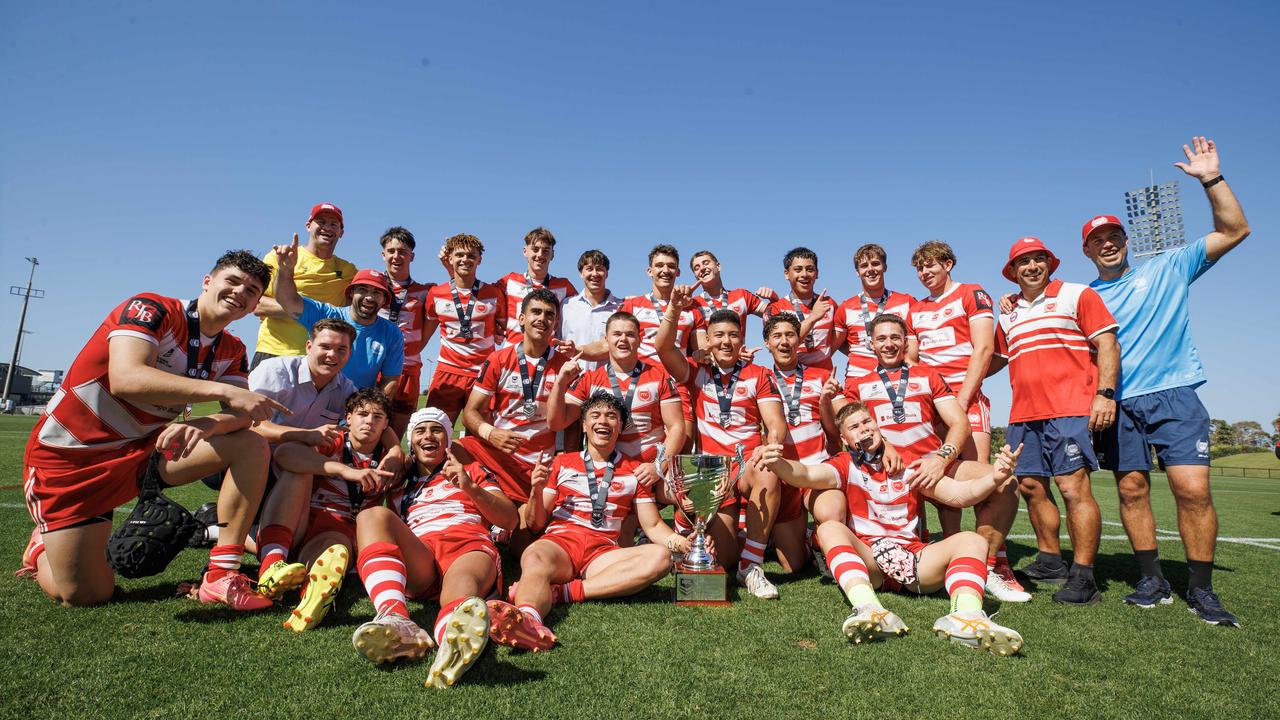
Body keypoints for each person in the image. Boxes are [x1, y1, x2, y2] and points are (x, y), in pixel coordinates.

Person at [19, 250, 288, 609]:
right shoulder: (151, 309)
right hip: (71, 457)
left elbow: (242, 414)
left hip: (142, 453)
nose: (241, 292)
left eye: (252, 290)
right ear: (207, 282)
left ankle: (221, 575)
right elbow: (127, 378)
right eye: (233, 281)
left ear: (256, 304)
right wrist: (223, 391)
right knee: (86, 594)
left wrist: (205, 424)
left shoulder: (232, 348)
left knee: (251, 444)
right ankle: (41, 549)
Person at [1083, 136, 1249, 625]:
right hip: (1118, 403)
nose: (1108, 243)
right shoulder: (1084, 296)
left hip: (1174, 393)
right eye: (1098, 239)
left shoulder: (1169, 266)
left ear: (1125, 241)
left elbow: (1236, 229)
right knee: (1131, 491)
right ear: (1086, 248)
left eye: (1114, 235)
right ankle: (1152, 579)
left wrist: (1210, 179)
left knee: (1192, 491)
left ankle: (1201, 588)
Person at [760, 402, 1025, 656]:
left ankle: (966, 617)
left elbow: (959, 496)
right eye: (854, 427)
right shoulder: (843, 464)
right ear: (843, 439)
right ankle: (869, 609)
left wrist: (995, 477)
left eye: (867, 422)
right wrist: (778, 464)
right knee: (829, 528)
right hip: (871, 562)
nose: (863, 428)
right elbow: (804, 474)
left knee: (972, 540)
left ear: (878, 427)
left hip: (915, 561)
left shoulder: (910, 463)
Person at [836, 314, 1025, 602]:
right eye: (882, 338)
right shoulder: (860, 384)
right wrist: (884, 444)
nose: (889, 344)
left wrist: (940, 459)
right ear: (871, 344)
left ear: (906, 342)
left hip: (932, 467)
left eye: (895, 337)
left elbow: (960, 423)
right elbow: (848, 425)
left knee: (1006, 484)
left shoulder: (928, 375)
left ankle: (986, 568)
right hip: (889, 474)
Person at [486, 392, 690, 652]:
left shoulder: (635, 470)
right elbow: (536, 523)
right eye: (595, 415)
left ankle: (564, 593)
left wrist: (682, 543)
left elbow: (652, 526)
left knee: (662, 557)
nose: (603, 421)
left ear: (620, 427)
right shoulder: (562, 462)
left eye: (611, 416)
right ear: (583, 425)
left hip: (603, 552)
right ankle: (528, 621)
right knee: (535, 557)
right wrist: (536, 491)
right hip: (560, 542)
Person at [987, 237, 1118, 605]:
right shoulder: (1009, 313)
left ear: (1050, 263)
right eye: (1022, 262)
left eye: (1038, 259)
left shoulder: (1077, 295)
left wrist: (1104, 395)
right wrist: (952, 373)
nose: (1031, 267)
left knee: (1073, 488)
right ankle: (1050, 560)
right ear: (1012, 272)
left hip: (1070, 409)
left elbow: (1107, 343)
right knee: (1030, 487)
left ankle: (1085, 575)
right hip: (1024, 414)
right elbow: (996, 358)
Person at [351, 407, 517, 688]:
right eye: (420, 430)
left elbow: (510, 519)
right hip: (423, 554)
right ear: (412, 443)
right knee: (371, 516)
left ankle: (449, 643)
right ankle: (396, 618)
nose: (428, 436)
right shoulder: (400, 484)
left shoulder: (472, 471)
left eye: (436, 430)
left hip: (468, 544)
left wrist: (469, 486)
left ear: (448, 440)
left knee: (461, 583)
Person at [906, 240, 1021, 595]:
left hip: (965, 398)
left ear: (949, 264)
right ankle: (953, 554)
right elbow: (911, 358)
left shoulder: (972, 293)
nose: (926, 272)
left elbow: (985, 348)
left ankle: (993, 563)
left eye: (932, 265)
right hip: (932, 403)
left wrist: (962, 399)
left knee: (985, 482)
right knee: (939, 481)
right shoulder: (914, 308)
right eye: (920, 268)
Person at [656, 290, 787, 599]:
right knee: (722, 557)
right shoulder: (696, 371)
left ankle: (752, 566)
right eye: (718, 335)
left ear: (741, 339)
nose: (726, 341)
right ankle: (707, 546)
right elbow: (662, 347)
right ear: (708, 340)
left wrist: (770, 446)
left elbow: (776, 423)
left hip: (746, 465)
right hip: (711, 473)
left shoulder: (759, 374)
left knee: (768, 473)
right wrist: (674, 308)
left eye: (732, 335)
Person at [267, 388, 399, 632]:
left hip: (351, 530)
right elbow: (285, 454)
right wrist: (343, 470)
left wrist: (397, 451)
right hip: (311, 520)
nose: (369, 421)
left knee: (339, 544)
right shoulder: (335, 440)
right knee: (332, 538)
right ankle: (293, 580)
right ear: (348, 418)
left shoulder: (390, 458)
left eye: (377, 417)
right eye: (362, 414)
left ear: (386, 424)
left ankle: (309, 590)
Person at [458, 289, 569, 548]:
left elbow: (571, 424)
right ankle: (475, 515)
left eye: (550, 315)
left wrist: (565, 458)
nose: (542, 319)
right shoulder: (499, 359)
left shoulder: (564, 366)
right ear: (521, 319)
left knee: (524, 544)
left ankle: (509, 522)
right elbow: (470, 412)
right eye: (536, 312)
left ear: (556, 323)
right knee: (452, 449)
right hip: (499, 457)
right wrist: (490, 433)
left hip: (538, 466)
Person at [547, 311, 686, 486]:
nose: (623, 340)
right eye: (617, 334)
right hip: (609, 473)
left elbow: (677, 427)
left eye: (630, 334)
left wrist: (658, 466)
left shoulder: (659, 376)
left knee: (682, 498)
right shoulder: (589, 379)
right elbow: (556, 423)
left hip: (649, 471)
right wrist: (560, 382)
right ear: (606, 340)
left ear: (639, 339)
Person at [255, 236, 404, 396]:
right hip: (313, 401)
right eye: (362, 290)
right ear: (352, 293)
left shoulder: (392, 333)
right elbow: (288, 301)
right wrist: (285, 270)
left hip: (355, 408)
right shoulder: (326, 314)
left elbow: (391, 380)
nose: (369, 297)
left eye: (376, 293)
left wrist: (368, 409)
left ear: (384, 300)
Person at [758, 313, 836, 573]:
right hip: (782, 475)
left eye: (790, 334)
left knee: (830, 512)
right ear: (767, 343)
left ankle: (820, 537)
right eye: (777, 336)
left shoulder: (821, 375)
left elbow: (837, 429)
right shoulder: (759, 378)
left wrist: (827, 404)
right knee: (793, 566)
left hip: (816, 470)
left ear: (799, 339)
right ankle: (806, 542)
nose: (784, 341)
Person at [253, 202, 357, 367]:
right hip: (273, 350)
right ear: (308, 226)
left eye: (333, 224)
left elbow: (352, 313)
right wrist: (311, 312)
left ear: (341, 232)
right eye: (321, 222)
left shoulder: (348, 271)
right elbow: (258, 305)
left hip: (318, 358)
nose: (327, 228)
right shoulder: (280, 257)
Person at [422, 233, 506, 422]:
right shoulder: (435, 293)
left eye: (471, 256)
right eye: (459, 255)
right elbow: (425, 333)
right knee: (435, 428)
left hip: (482, 373)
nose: (465, 260)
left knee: (480, 437)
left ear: (479, 260)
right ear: (449, 258)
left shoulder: (494, 294)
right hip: (448, 371)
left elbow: (503, 332)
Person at [378, 226, 435, 436]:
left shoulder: (424, 292)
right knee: (368, 427)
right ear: (383, 254)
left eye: (402, 252)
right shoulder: (372, 286)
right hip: (376, 367)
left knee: (395, 434)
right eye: (391, 251)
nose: (396, 256)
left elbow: (426, 333)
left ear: (412, 256)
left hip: (409, 369)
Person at [831, 243, 916, 380]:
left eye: (875, 264)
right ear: (857, 272)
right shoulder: (846, 307)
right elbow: (832, 346)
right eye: (864, 266)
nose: (870, 270)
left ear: (885, 267)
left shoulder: (907, 302)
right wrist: (856, 354)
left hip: (898, 378)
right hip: (858, 379)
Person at [497, 227, 577, 347]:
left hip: (547, 357)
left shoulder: (564, 286)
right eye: (535, 249)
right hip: (513, 356)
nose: (540, 255)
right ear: (525, 251)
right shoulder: (509, 281)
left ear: (552, 255)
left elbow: (583, 309)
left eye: (545, 251)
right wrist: (493, 325)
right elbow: (480, 296)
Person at [764, 247, 838, 372]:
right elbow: (779, 345)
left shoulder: (829, 304)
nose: (804, 274)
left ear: (817, 273)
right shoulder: (775, 308)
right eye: (798, 270)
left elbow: (842, 341)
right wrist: (813, 317)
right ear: (786, 273)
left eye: (810, 269)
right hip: (792, 380)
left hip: (824, 381)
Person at [560, 249, 623, 371]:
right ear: (581, 273)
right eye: (589, 269)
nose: (594, 274)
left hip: (607, 383)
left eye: (599, 269)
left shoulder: (620, 308)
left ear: (607, 273)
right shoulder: (566, 306)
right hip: (571, 380)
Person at [688, 249, 775, 333]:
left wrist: (773, 298)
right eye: (696, 268)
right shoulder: (693, 304)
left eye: (706, 263)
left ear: (718, 266)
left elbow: (776, 315)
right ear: (696, 276)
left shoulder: (742, 295)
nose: (702, 268)